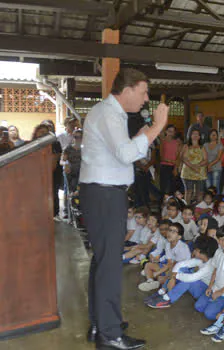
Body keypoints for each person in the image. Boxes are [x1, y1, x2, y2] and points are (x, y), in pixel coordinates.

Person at [79, 68, 168, 349]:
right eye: (143, 93)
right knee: (109, 265)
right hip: (104, 195)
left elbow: (127, 151)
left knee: (103, 261)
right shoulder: (107, 113)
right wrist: (157, 127)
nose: (145, 99)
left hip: (103, 193)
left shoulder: (113, 115)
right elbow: (127, 154)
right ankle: (110, 333)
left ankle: (100, 323)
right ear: (127, 90)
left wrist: (144, 134)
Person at [178, 129, 207, 205]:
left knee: (200, 192)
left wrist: (197, 165)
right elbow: (183, 158)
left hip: (200, 172)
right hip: (188, 172)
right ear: (190, 136)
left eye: (197, 134)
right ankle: (186, 208)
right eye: (193, 134)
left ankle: (198, 208)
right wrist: (192, 166)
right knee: (188, 191)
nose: (195, 136)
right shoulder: (186, 146)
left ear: (199, 137)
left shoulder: (202, 147)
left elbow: (205, 159)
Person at [159, 124, 179, 197]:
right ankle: (162, 205)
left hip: (173, 167)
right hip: (164, 166)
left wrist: (176, 167)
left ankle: (172, 205)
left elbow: (178, 157)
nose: (171, 133)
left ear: (174, 133)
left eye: (172, 131)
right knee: (164, 188)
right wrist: (172, 161)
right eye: (169, 131)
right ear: (166, 131)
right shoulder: (162, 141)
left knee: (173, 188)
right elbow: (161, 157)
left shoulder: (176, 142)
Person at [204, 129, 223, 193]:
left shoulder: (220, 145)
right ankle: (209, 201)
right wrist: (207, 166)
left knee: (215, 187)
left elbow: (218, 158)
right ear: (209, 136)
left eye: (215, 135)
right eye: (212, 134)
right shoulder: (205, 145)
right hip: (206, 168)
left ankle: (216, 201)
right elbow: (204, 157)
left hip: (216, 168)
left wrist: (210, 165)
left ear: (217, 136)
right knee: (208, 186)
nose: (213, 136)